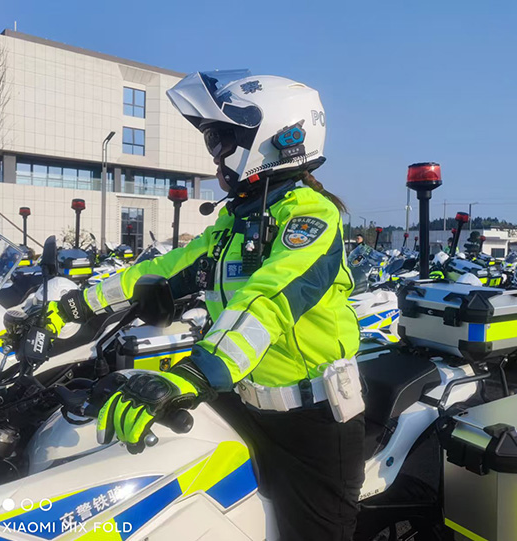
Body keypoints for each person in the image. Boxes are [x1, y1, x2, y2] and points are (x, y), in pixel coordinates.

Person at [46, 71, 364, 540]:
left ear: (273, 138)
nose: (215, 155)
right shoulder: (234, 224)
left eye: (221, 140)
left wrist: (196, 372)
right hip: (243, 402)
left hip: (311, 425)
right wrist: (77, 305)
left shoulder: (311, 214)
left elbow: (269, 299)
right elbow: (161, 270)